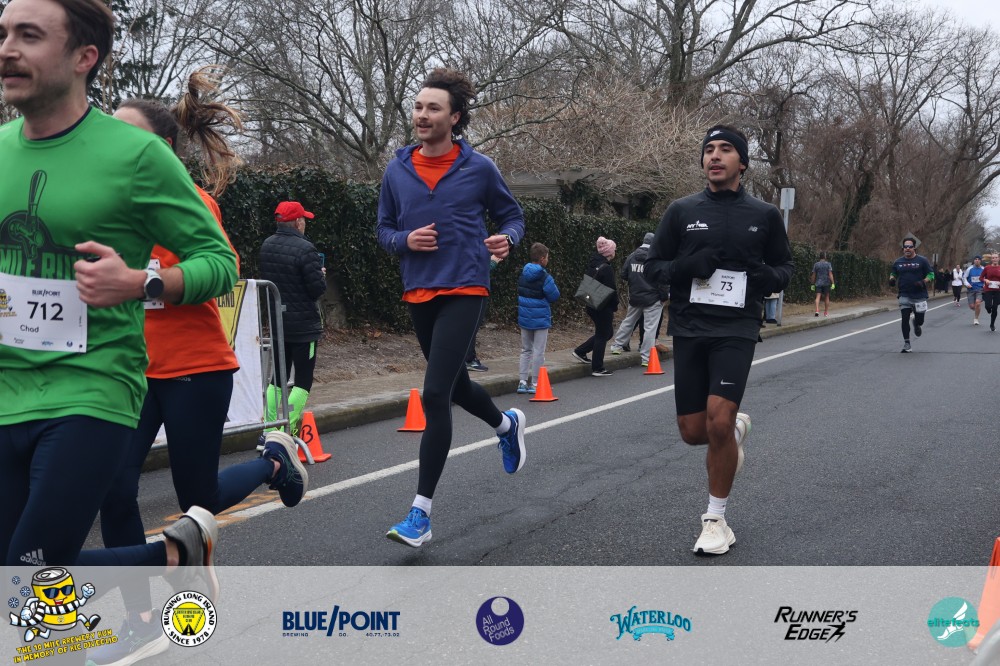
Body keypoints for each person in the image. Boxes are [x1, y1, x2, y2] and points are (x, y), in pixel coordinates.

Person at [0, 0, 235, 569]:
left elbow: (219, 263)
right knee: (20, 582)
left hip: (91, 389)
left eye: (29, 36)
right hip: (7, 390)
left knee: (27, 570)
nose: (7, 50)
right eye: (3, 34)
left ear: (84, 57)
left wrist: (140, 283)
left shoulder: (137, 155)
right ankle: (172, 554)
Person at [88, 72, 309, 665]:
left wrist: (143, 282)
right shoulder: (102, 207)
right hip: (131, 371)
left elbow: (222, 270)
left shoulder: (188, 201)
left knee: (198, 497)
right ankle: (139, 619)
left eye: (127, 137)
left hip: (194, 366)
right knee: (113, 489)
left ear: (159, 149)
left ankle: (274, 460)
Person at [376, 67, 526, 547]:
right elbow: (383, 229)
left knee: (436, 393)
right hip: (419, 289)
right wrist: (404, 240)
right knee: (457, 385)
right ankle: (506, 425)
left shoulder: (479, 167)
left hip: (465, 286)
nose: (422, 115)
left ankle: (420, 515)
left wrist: (507, 239)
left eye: (433, 108)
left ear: (454, 117)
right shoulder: (396, 170)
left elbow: (512, 215)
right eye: (418, 107)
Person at [645, 125, 793, 556]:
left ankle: (715, 520)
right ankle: (734, 431)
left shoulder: (764, 215)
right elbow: (653, 267)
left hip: (737, 328)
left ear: (741, 163)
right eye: (709, 149)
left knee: (718, 419)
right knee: (695, 432)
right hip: (690, 327)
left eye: (725, 149)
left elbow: (785, 267)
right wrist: (687, 266)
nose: (715, 156)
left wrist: (766, 278)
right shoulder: (681, 210)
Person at [259, 200, 328, 436]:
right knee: (303, 382)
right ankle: (285, 431)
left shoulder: (267, 245)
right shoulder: (306, 249)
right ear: (298, 222)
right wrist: (320, 275)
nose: (305, 223)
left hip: (278, 323)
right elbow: (316, 289)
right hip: (304, 326)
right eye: (304, 219)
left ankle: (267, 431)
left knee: (277, 379)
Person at [610, 232, 665, 366]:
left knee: (629, 321)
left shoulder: (632, 256)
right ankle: (646, 358)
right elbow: (663, 278)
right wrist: (664, 296)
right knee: (650, 328)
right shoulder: (656, 258)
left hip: (635, 296)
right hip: (652, 298)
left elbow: (624, 274)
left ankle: (617, 346)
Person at [517, 243, 560, 393]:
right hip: (540, 318)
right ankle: (535, 382)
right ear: (542, 259)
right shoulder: (545, 277)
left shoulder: (523, 273)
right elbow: (554, 295)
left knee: (526, 350)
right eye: (547, 257)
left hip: (524, 316)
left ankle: (522, 381)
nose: (548, 260)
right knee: (538, 351)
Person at [572, 236, 618, 376]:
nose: (615, 252)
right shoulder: (607, 268)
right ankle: (598, 367)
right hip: (603, 305)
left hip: (591, 303)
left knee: (606, 332)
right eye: (614, 250)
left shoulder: (593, 264)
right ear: (609, 252)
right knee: (603, 335)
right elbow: (611, 290)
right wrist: (615, 305)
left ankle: (580, 351)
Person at [889, 237, 933, 352]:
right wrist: (892, 279)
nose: (907, 249)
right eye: (905, 247)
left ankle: (916, 324)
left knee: (920, 320)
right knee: (904, 319)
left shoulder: (922, 260)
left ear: (914, 248)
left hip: (919, 295)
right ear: (903, 248)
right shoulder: (898, 262)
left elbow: (931, 274)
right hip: (904, 294)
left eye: (910, 246)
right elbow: (893, 273)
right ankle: (907, 343)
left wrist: (923, 282)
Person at [810, 251, 835, 316]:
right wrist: (833, 283)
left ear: (820, 257)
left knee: (817, 296)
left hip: (818, 283)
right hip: (826, 283)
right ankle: (825, 312)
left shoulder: (816, 264)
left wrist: (812, 284)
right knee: (826, 297)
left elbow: (813, 275)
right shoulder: (828, 264)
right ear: (825, 256)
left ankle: (817, 310)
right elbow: (830, 274)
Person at [981, 253, 1000, 331]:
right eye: (993, 258)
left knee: (995, 308)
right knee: (988, 306)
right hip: (988, 289)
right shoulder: (987, 268)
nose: (994, 259)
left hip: (998, 291)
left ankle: (992, 324)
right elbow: (981, 277)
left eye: (996, 257)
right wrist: (985, 280)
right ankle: (988, 309)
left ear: (998, 259)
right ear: (991, 259)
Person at [964, 255, 985, 325]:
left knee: (978, 303)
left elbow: (986, 278)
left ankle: (976, 318)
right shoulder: (969, 269)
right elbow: (964, 278)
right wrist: (967, 284)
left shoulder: (983, 269)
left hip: (980, 289)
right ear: (974, 261)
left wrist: (984, 285)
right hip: (971, 289)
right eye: (975, 259)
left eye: (978, 259)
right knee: (972, 306)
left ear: (980, 261)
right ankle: (977, 309)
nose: (977, 260)